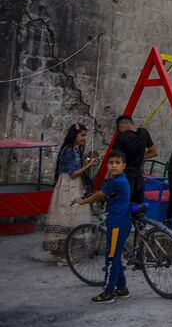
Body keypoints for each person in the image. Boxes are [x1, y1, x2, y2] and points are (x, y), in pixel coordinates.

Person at [72, 149, 131, 303]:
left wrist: (83, 201)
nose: (113, 166)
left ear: (124, 165)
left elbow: (99, 195)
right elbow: (102, 191)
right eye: (111, 163)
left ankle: (108, 292)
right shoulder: (118, 180)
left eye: (117, 163)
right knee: (115, 255)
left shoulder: (117, 181)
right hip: (119, 221)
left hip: (117, 223)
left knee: (111, 258)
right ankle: (122, 288)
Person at [42, 122, 98, 258]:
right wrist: (89, 165)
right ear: (74, 135)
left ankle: (60, 253)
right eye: (82, 135)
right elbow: (73, 174)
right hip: (69, 186)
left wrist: (86, 163)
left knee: (67, 217)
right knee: (67, 217)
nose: (84, 138)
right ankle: (62, 255)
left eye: (85, 135)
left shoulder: (74, 149)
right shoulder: (69, 150)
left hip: (70, 185)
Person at [113, 115, 157, 204]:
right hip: (138, 177)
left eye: (118, 129)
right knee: (137, 205)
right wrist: (139, 156)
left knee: (122, 203)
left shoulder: (121, 137)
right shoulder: (144, 133)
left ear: (122, 126)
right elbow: (154, 152)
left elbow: (116, 159)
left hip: (125, 175)